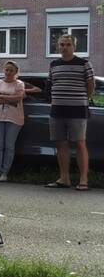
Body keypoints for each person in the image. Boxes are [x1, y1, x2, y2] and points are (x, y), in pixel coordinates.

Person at [45, 34, 95, 190]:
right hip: (57, 110)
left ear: (74, 47)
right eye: (62, 44)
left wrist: (82, 100)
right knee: (61, 144)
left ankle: (83, 180)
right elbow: (50, 84)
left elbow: (91, 85)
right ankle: (64, 178)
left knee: (80, 143)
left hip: (77, 110)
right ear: (58, 47)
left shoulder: (84, 64)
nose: (64, 47)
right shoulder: (53, 64)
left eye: (68, 44)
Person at [0, 61, 40, 182]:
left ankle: (4, 173)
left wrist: (2, 97)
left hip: (14, 118)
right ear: (4, 70)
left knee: (9, 146)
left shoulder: (19, 84)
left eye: (11, 70)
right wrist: (8, 99)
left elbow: (18, 98)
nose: (8, 73)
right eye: (6, 70)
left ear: (16, 72)